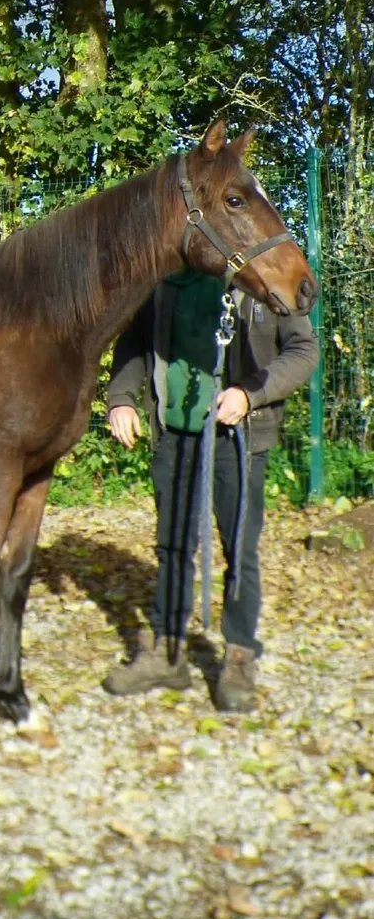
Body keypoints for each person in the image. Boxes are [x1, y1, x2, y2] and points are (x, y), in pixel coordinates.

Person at [102, 268, 318, 711]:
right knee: (173, 546)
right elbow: (135, 343)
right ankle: (169, 652)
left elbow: (303, 350)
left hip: (239, 439)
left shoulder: (268, 272)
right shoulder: (165, 279)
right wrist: (121, 397)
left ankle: (239, 654)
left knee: (239, 549)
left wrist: (249, 393)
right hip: (175, 435)